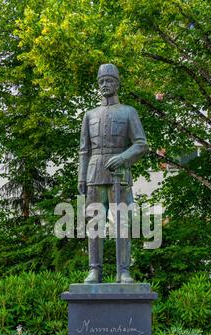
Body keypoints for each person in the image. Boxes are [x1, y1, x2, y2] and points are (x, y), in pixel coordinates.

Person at [78, 64, 148, 283]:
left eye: (109, 81)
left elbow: (141, 144)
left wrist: (123, 158)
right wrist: (81, 176)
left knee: (122, 222)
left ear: (117, 84)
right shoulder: (90, 115)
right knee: (94, 222)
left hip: (120, 173)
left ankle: (123, 270)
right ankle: (95, 270)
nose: (105, 85)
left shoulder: (128, 112)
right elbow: (84, 149)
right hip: (94, 172)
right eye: (101, 82)